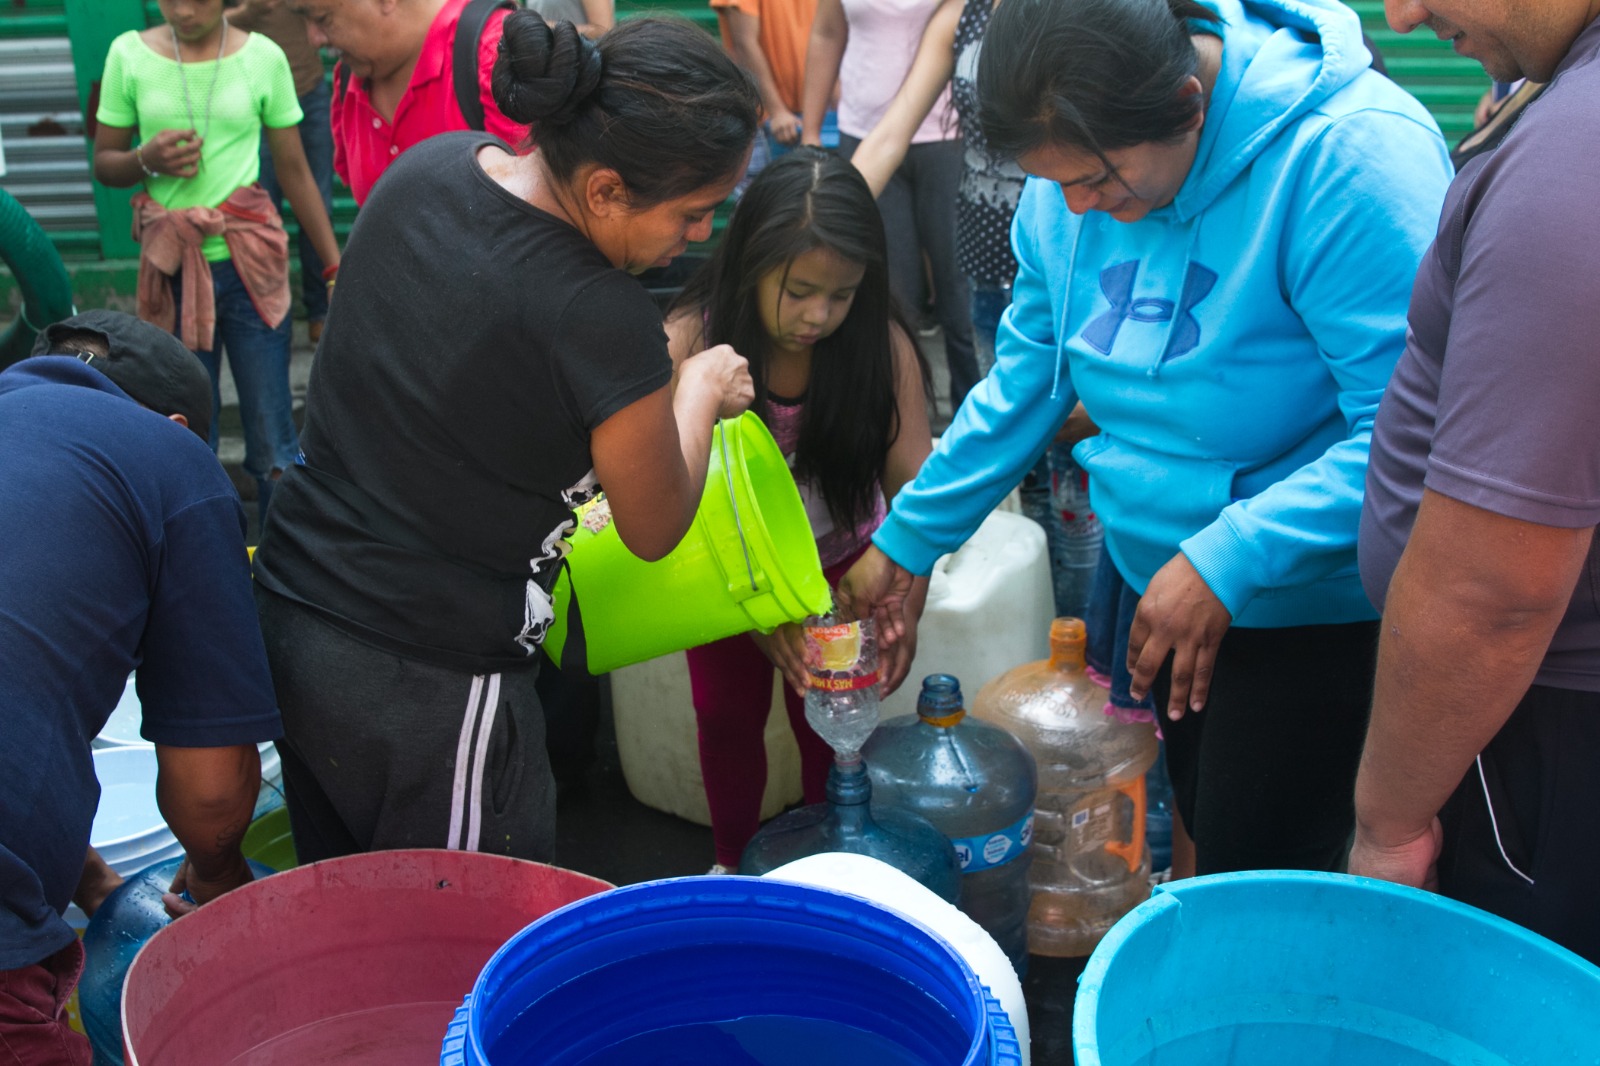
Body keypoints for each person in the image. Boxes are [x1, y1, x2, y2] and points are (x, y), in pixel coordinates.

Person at [839, 0, 1454, 877]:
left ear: (1188, 104)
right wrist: (906, 544)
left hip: (1309, 610)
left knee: (1272, 870)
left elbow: (1413, 436)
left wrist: (1232, 554)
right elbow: (1027, 383)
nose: (1080, 208)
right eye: (1053, 184)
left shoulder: (1348, 160)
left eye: (1101, 179)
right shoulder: (1068, 190)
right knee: (1195, 820)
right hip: (1157, 580)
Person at [251, 17, 760, 865]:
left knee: (352, 924)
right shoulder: (599, 314)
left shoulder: (430, 167)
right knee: (465, 947)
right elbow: (655, 523)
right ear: (603, 190)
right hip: (428, 677)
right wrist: (698, 389)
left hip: (297, 617)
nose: (698, 237)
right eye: (694, 212)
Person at [1351, 0, 1600, 965]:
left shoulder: (1573, 163)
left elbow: (1490, 595)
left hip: (1544, 727)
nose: (1404, 16)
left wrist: (1389, 824)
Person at [0, 311, 281, 1063]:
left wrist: (92, 885)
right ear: (181, 425)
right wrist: (217, 876)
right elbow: (212, 783)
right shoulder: (169, 458)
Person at [665, 148, 932, 873]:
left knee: (834, 724)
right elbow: (672, 497)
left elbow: (915, 480)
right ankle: (729, 865)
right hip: (725, 573)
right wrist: (755, 610)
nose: (819, 315)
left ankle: (830, 864)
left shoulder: (884, 348)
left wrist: (911, 587)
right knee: (725, 714)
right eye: (800, 289)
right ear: (752, 261)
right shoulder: (693, 338)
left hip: (844, 565)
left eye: (841, 295)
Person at [92, 0, 342, 524]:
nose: (184, 10)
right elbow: (105, 163)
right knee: (183, 434)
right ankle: (203, 562)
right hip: (173, 272)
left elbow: (295, 171)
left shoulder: (264, 57)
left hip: (252, 268)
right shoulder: (129, 55)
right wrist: (146, 159)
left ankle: (280, 569)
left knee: (274, 441)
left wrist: (334, 265)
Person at [799, 0, 978, 412]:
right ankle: (898, 417)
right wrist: (811, 131)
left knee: (961, 295)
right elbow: (827, 33)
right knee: (893, 294)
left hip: (948, 140)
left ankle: (974, 423)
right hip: (867, 137)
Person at [288, 0, 532, 204]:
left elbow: (531, 218)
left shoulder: (495, 56)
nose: (314, 39)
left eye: (322, 19)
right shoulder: (348, 78)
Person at [229, 0, 337, 344]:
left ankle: (320, 313)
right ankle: (271, 319)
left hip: (310, 93)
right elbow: (206, 21)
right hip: (256, 99)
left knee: (317, 204)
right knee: (263, 210)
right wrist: (249, 12)